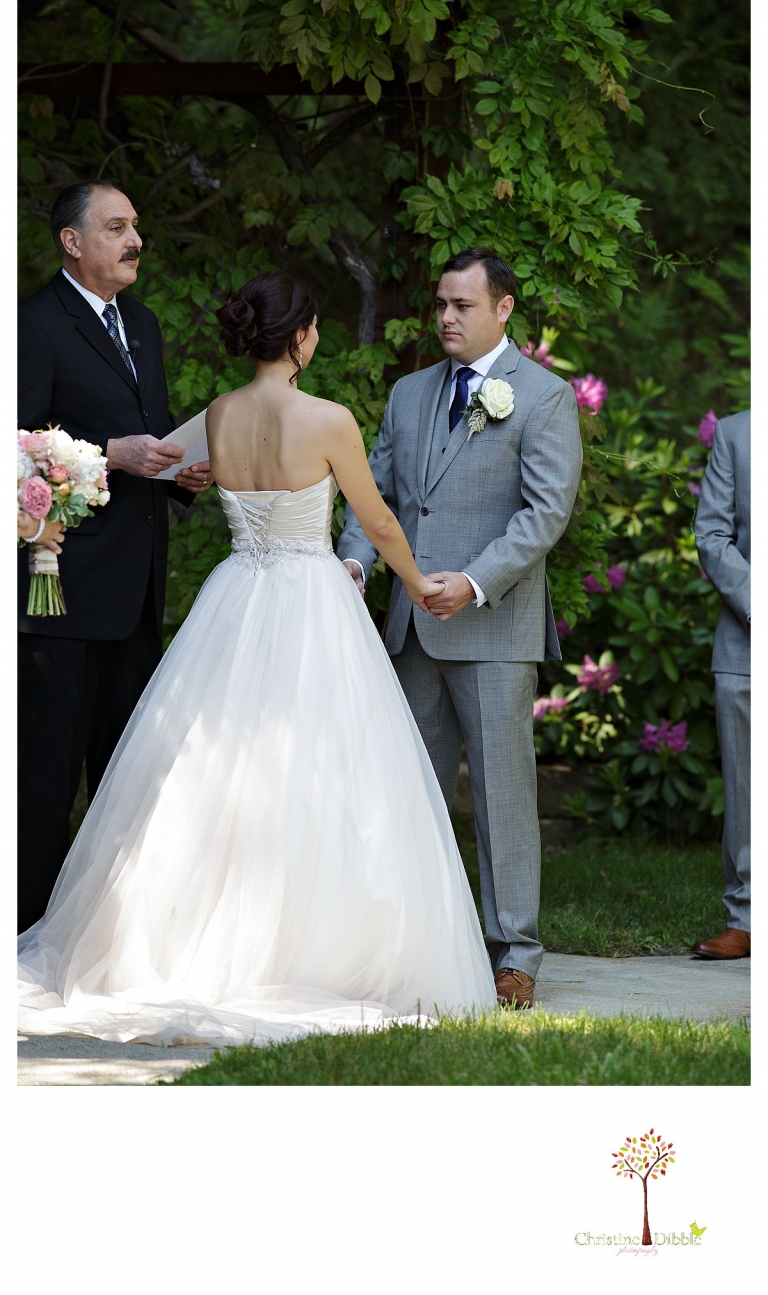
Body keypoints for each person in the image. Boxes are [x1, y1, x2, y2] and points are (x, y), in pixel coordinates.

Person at [18, 270, 497, 1048]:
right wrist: (419, 584)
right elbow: (374, 520)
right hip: (312, 600)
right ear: (302, 336)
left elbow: (173, 466)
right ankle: (311, 945)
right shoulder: (329, 418)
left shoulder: (219, 414)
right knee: (323, 770)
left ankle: (188, 940)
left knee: (208, 771)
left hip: (236, 597)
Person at [338, 248, 582, 1008]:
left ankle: (516, 952)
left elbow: (545, 514)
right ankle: (414, 942)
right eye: (440, 305)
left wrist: (473, 582)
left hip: (493, 627)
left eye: (462, 306)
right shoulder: (410, 393)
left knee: (505, 798)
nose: (445, 317)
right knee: (408, 792)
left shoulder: (542, 398)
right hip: (411, 629)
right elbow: (371, 489)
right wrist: (352, 563)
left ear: (503, 309)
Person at [17, 180, 211, 934]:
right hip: (58, 589)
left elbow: (148, 433)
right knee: (45, 773)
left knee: (125, 774)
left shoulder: (145, 323)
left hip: (136, 587)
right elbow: (16, 453)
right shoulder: (33, 325)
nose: (136, 240)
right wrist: (108, 455)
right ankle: (27, 931)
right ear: (73, 241)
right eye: (117, 227)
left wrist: (178, 472)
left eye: (137, 226)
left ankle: (104, 935)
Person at [692, 409, 750, 959]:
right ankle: (748, 916)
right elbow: (711, 534)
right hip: (747, 643)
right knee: (747, 786)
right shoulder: (736, 433)